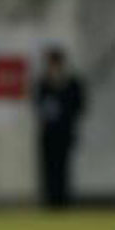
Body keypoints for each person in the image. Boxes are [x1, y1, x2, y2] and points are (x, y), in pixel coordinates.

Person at [33, 47, 85, 209]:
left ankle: (63, 200)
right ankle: (50, 201)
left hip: (65, 132)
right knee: (49, 168)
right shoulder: (43, 83)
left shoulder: (72, 83)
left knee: (64, 167)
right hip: (48, 133)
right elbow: (38, 105)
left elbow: (79, 105)